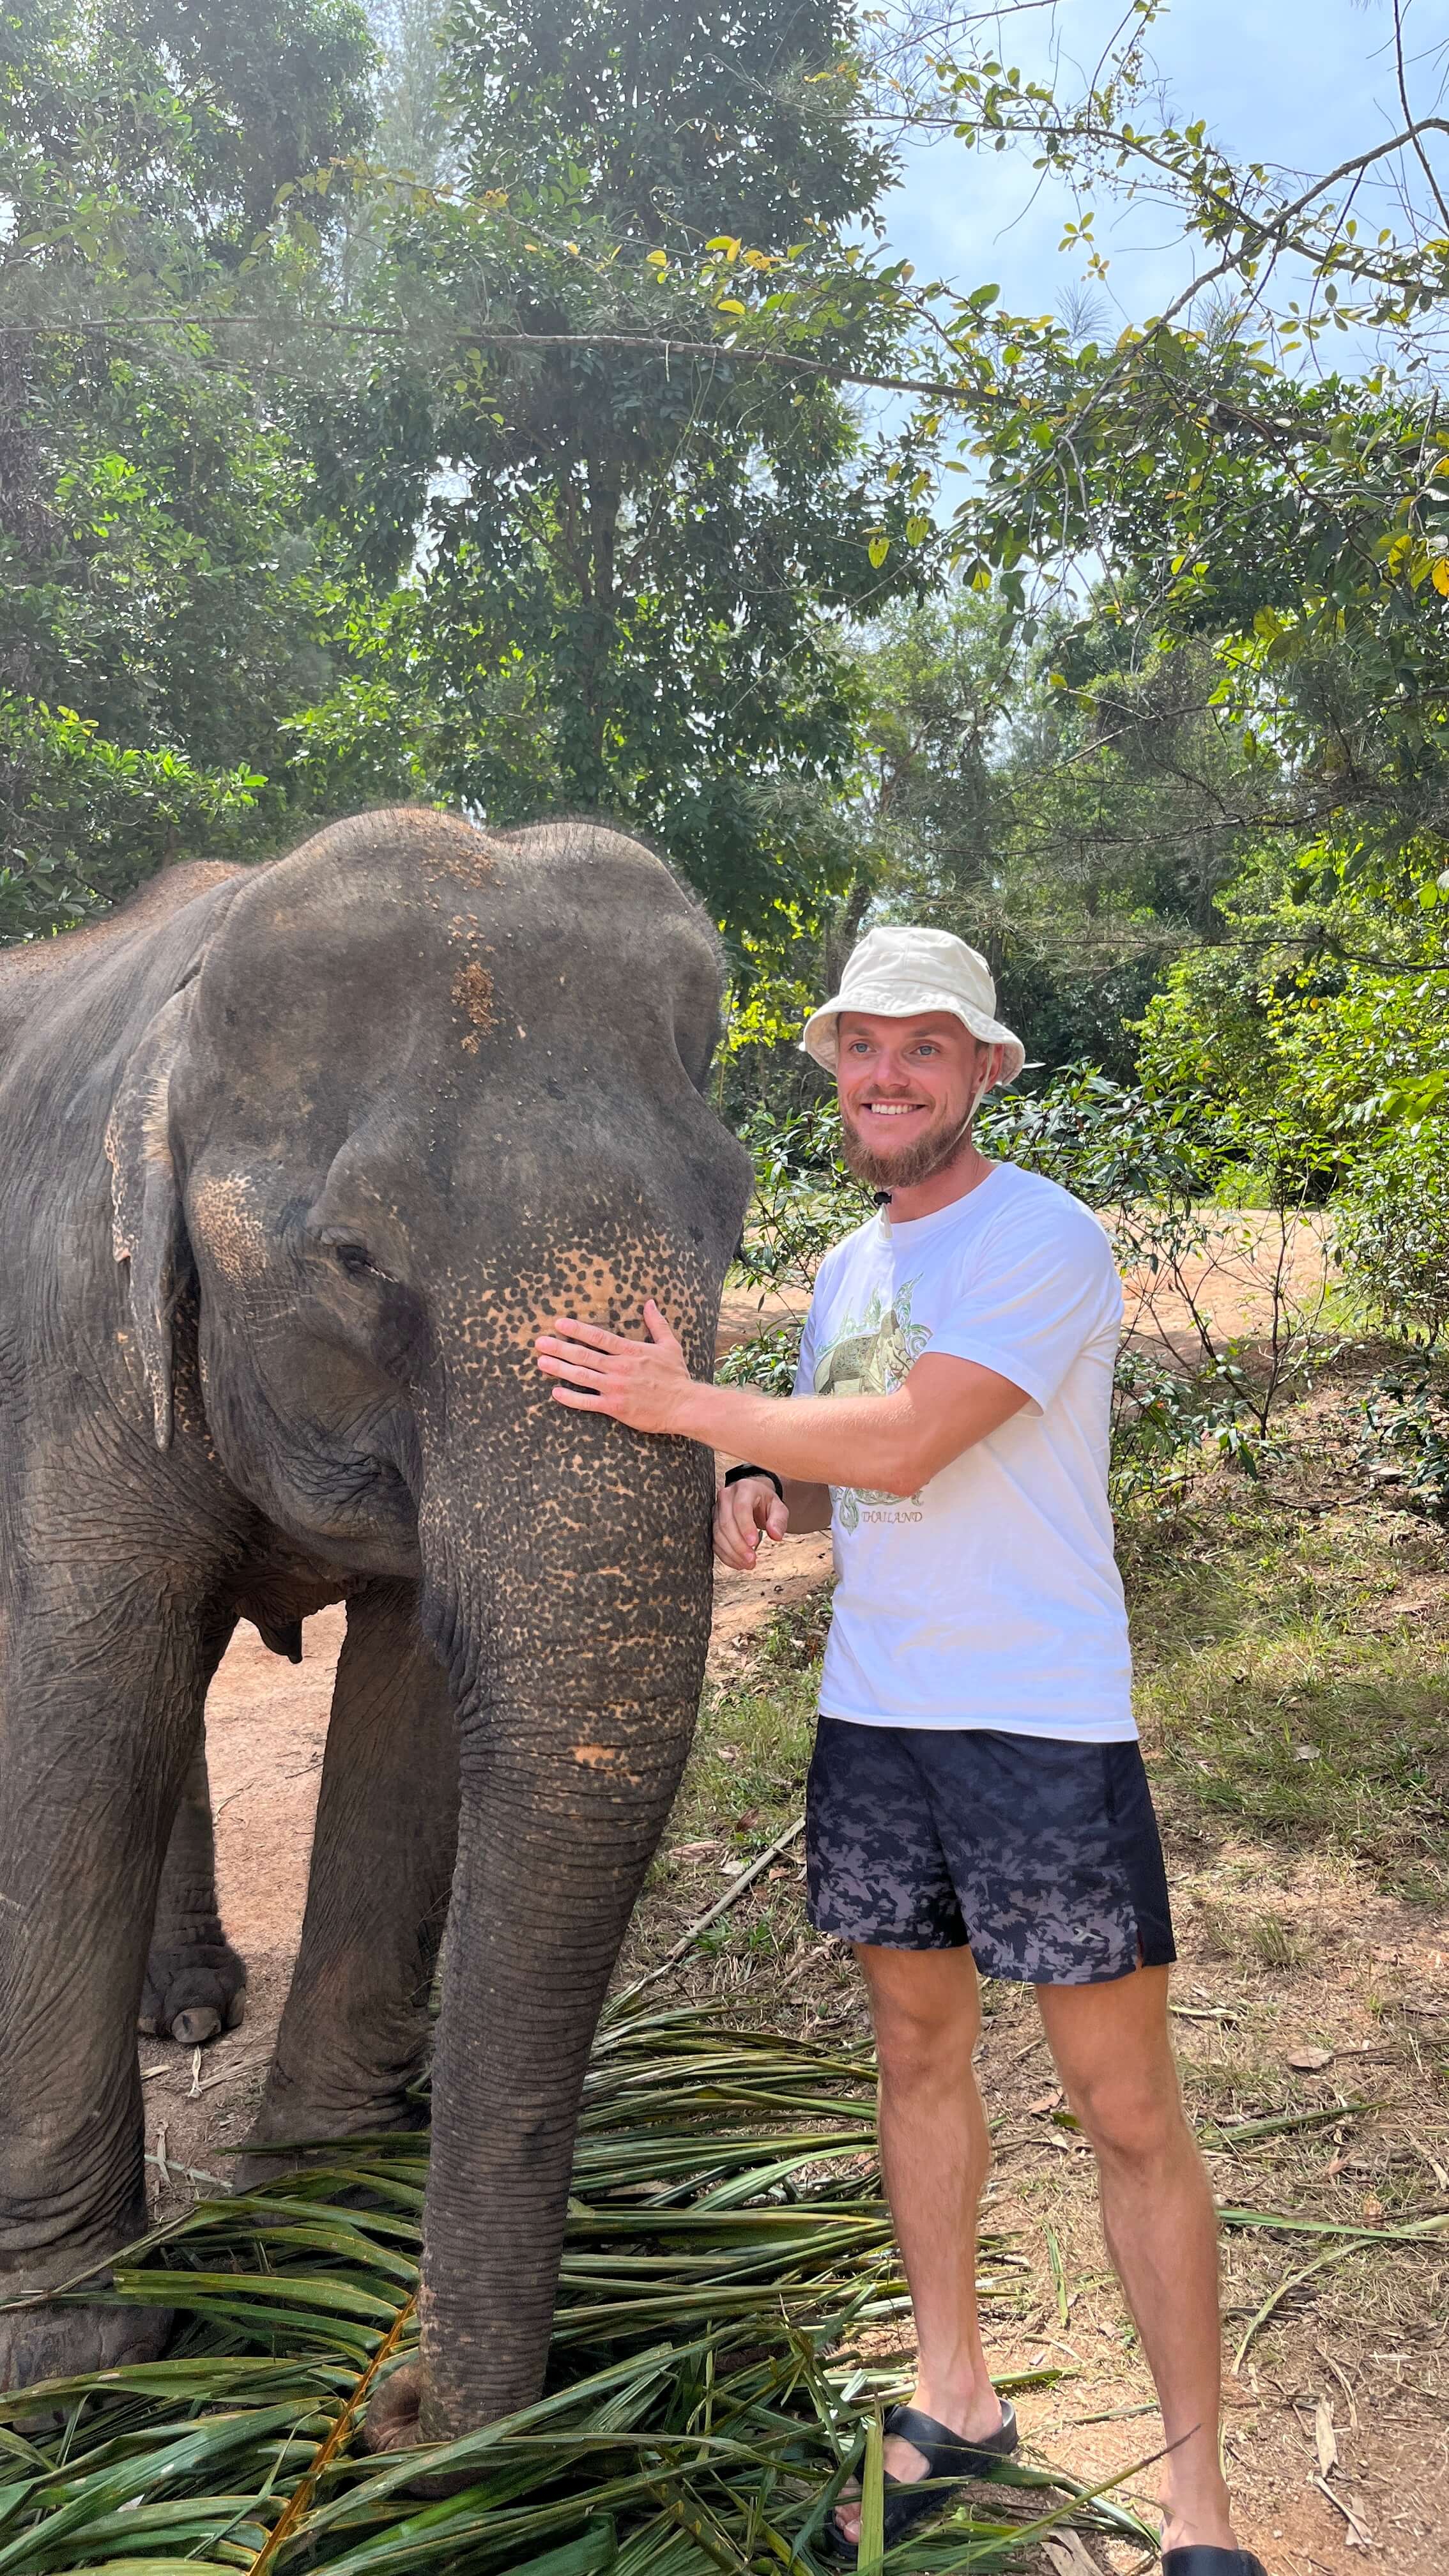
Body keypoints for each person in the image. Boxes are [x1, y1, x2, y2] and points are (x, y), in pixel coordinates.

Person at [535, 926, 1266, 2576]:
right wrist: (756, 1483)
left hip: (1037, 1727)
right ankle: (957, 2395)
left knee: (1122, 2105)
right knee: (917, 2055)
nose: (885, 1076)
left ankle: (1199, 2510)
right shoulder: (852, 1268)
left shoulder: (1043, 1237)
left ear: (983, 1069)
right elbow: (838, 1468)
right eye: (861, 1047)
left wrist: (684, 1407)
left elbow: (917, 1435)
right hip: (878, 1719)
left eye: (923, 1047)